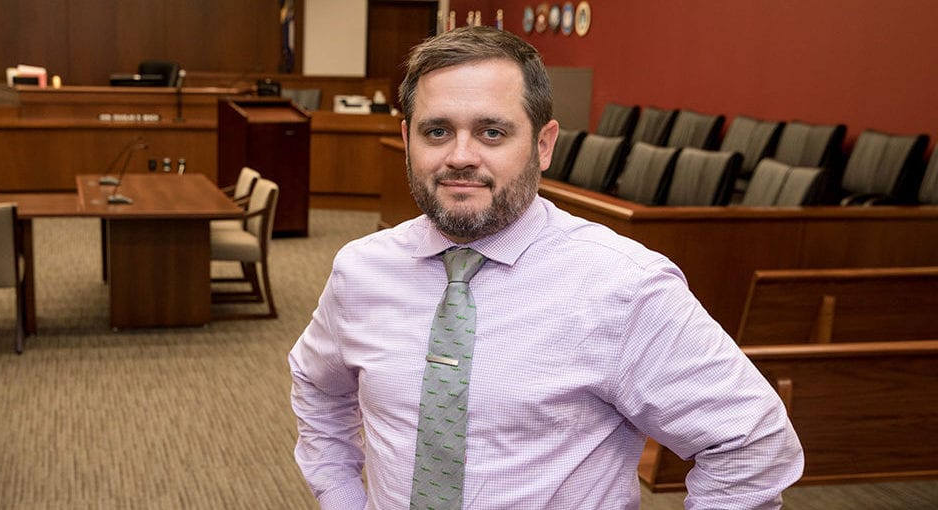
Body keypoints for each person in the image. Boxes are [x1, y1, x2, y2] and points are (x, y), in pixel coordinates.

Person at [288, 26, 803, 509]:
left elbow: (752, 443)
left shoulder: (624, 285)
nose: (460, 156)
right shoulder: (361, 269)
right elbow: (316, 386)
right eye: (437, 131)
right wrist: (341, 496)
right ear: (407, 140)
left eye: (492, 132)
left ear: (543, 144)